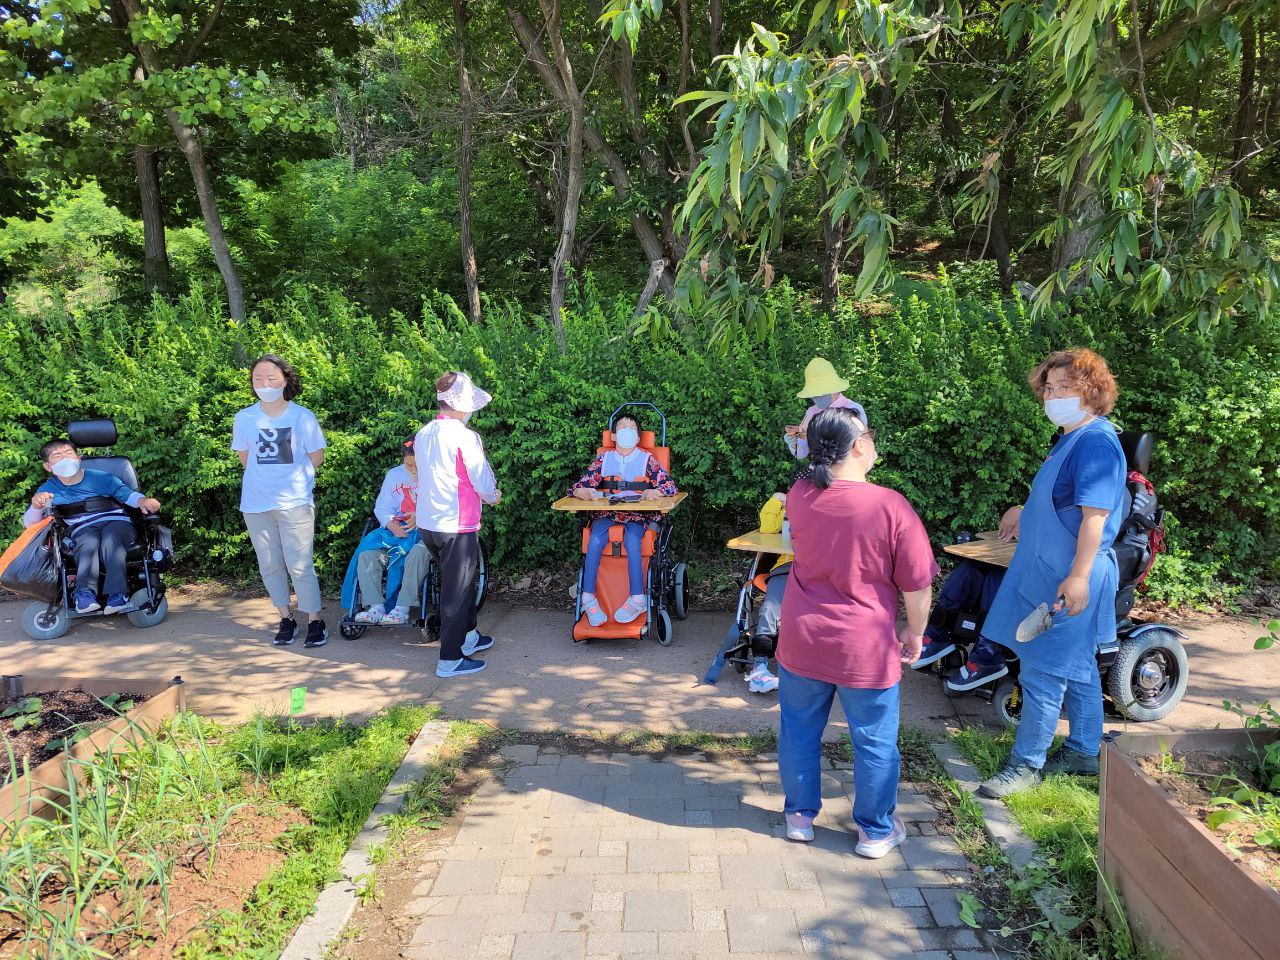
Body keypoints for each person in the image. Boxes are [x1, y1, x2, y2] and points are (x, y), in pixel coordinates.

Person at [776, 407, 937, 858]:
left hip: (804, 636)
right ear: (861, 446)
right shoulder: (889, 505)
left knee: (799, 729)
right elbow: (917, 583)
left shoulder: (800, 494)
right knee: (873, 739)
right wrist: (916, 632)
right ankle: (875, 831)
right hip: (864, 644)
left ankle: (799, 818)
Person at [977, 348, 1128, 798]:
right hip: (1051, 570)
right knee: (1078, 667)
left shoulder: (1097, 442)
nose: (1054, 395)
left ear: (1092, 392)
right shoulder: (1071, 436)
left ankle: (1025, 765)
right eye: (1050, 387)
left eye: (1066, 388)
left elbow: (1095, 519)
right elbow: (1064, 500)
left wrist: (1078, 577)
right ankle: (1083, 751)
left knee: (1042, 672)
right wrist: (1024, 511)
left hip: (1073, 575)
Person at [232, 354, 329, 648]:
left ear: (285, 380)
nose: (264, 384)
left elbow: (317, 458)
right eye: (258, 379)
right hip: (256, 504)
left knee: (300, 565)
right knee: (270, 564)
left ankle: (315, 620)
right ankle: (285, 618)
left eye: (271, 378)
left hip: (295, 503)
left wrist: (292, 480)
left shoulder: (302, 416)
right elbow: (245, 459)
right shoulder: (244, 418)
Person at [415, 371, 501, 677]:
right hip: (457, 524)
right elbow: (481, 477)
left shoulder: (424, 433)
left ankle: (469, 637)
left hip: (428, 524)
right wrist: (494, 496)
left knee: (458, 585)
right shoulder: (465, 437)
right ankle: (450, 659)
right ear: (464, 403)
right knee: (457, 589)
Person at [23, 439, 162, 614]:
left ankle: (118, 594)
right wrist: (36, 506)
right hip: (82, 528)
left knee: (111, 540)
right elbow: (30, 524)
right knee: (87, 542)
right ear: (48, 467)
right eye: (58, 456)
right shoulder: (48, 490)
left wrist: (144, 501)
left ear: (78, 457)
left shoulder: (102, 478)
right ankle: (84, 594)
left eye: (68, 454)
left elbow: (129, 495)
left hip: (117, 523)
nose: (65, 459)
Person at [569, 412, 678, 627]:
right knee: (596, 538)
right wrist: (581, 492)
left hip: (638, 514)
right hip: (607, 512)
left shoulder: (648, 460)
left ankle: (638, 598)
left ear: (638, 438)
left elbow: (670, 487)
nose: (626, 433)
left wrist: (654, 493)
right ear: (613, 437)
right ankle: (587, 597)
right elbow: (578, 486)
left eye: (631, 430)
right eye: (621, 429)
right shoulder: (603, 459)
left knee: (631, 539)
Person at [342, 437, 431, 626]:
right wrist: (391, 525)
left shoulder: (436, 474)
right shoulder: (394, 475)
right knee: (367, 555)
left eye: (416, 466)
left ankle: (402, 608)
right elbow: (382, 507)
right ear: (402, 458)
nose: (412, 470)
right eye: (408, 466)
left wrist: (420, 516)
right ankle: (375, 607)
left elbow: (443, 506)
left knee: (417, 553)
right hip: (396, 532)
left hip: (426, 532)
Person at [745, 491, 791, 694]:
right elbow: (767, 528)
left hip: (821, 570)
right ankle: (760, 668)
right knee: (770, 608)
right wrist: (776, 500)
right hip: (787, 566)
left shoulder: (833, 507)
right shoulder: (791, 508)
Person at [784, 357, 867, 460]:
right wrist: (793, 442)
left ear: (834, 389)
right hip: (819, 472)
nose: (816, 397)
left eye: (820, 392)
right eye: (814, 394)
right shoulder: (811, 412)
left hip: (848, 471)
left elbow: (863, 447)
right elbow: (800, 454)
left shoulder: (853, 409)